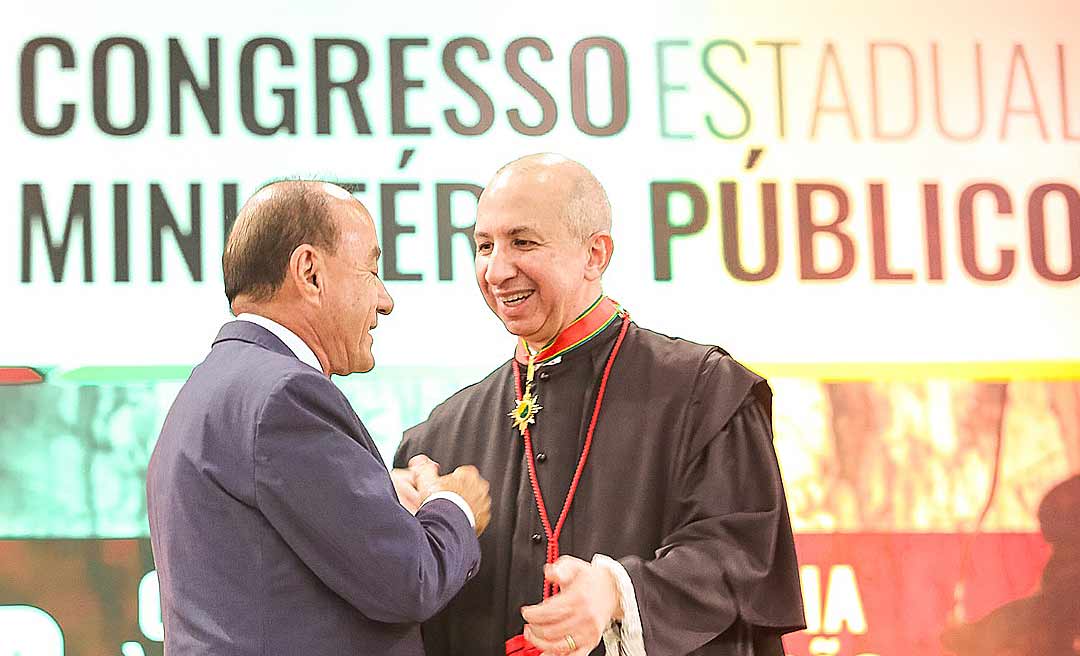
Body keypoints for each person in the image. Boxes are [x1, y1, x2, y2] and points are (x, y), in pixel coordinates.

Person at [393, 154, 805, 656]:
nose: (496, 270)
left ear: (595, 255)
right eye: (484, 246)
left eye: (523, 242)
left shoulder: (703, 392)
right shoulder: (438, 438)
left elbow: (742, 556)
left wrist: (617, 593)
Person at [147, 180, 492, 656]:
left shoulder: (215, 386)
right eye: (372, 271)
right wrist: (454, 507)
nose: (385, 300)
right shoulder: (284, 397)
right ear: (310, 272)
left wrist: (378, 497)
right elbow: (409, 580)